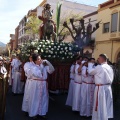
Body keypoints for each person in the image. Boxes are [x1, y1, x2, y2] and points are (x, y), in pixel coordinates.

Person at [88, 54, 114, 120]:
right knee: (106, 104)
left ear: (102, 59)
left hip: (101, 88)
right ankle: (106, 117)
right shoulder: (110, 67)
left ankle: (99, 118)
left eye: (99, 58)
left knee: (100, 105)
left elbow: (90, 72)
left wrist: (90, 64)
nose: (98, 59)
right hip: (108, 88)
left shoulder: (100, 67)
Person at [26, 54, 48, 119]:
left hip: (43, 84)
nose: (40, 60)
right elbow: (39, 74)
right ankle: (34, 113)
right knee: (35, 98)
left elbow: (51, 70)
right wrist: (41, 67)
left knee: (43, 99)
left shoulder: (44, 66)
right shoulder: (33, 68)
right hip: (36, 84)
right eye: (38, 59)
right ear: (35, 61)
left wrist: (48, 63)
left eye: (40, 59)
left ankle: (42, 112)